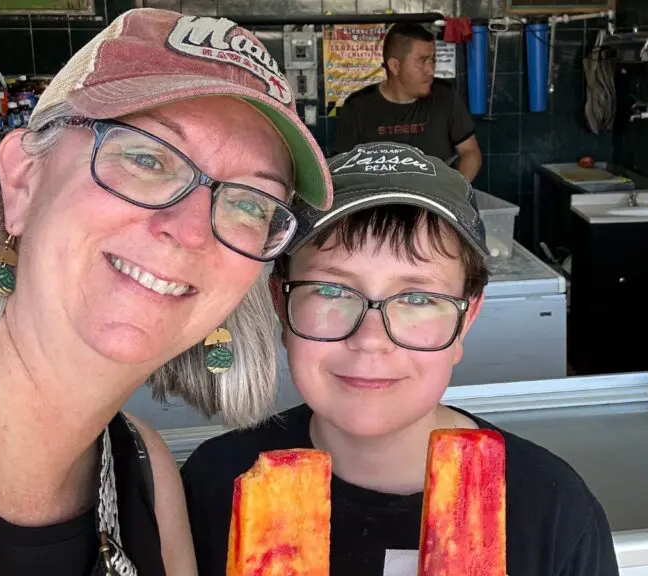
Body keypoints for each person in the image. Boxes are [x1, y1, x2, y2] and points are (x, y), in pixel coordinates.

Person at [0, 8, 332, 575]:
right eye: (147, 158)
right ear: (23, 179)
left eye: (250, 201)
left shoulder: (146, 472)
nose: (191, 230)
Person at [182, 142, 619, 576]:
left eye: (417, 297)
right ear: (282, 304)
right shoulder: (211, 485)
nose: (371, 340)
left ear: (466, 321)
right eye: (331, 291)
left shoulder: (553, 510)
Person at [332, 23, 482, 182]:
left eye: (432, 60)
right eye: (423, 61)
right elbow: (342, 169)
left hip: (437, 202)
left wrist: (453, 191)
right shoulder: (358, 107)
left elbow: (470, 152)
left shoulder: (444, 96)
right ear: (395, 66)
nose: (431, 70)